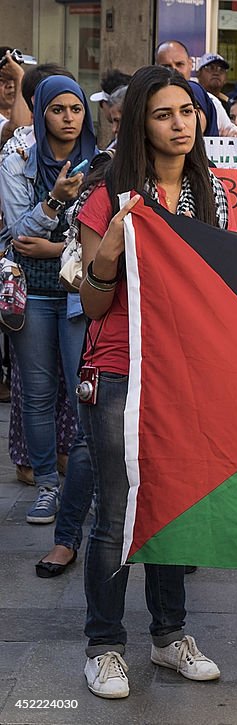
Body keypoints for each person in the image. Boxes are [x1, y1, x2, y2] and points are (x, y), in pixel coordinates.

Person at [76, 65, 226, 699]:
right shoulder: (107, 193)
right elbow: (89, 299)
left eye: (186, 112)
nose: (179, 125)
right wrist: (110, 246)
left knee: (173, 505)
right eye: (163, 114)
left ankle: (169, 638)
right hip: (118, 369)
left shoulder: (208, 195)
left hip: (182, 373)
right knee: (116, 510)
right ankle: (105, 647)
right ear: (140, 122)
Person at [0, 75, 95, 526]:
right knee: (37, 394)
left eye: (75, 109)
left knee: (85, 395)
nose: (68, 118)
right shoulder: (18, 158)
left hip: (81, 295)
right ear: (40, 113)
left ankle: (83, 485)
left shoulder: (101, 162)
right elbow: (19, 234)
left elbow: (103, 235)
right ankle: (46, 486)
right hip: (31, 293)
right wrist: (54, 201)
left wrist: (57, 248)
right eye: (57, 110)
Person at [155, 40, 237, 136]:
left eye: (179, 64)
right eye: (167, 66)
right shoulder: (150, 99)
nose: (174, 70)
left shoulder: (211, 102)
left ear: (190, 64)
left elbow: (233, 135)